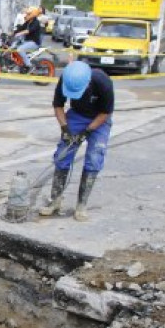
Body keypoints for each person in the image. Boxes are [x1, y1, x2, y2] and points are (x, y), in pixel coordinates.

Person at [38, 61, 114, 221]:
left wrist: (87, 131)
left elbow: (105, 113)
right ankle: (55, 200)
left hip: (99, 118)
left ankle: (81, 204)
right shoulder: (66, 78)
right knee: (62, 155)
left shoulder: (103, 82)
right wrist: (65, 128)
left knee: (95, 156)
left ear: (87, 83)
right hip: (77, 115)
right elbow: (58, 105)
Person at [12, 5, 43, 71]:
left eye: (28, 14)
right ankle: (19, 63)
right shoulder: (28, 22)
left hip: (34, 43)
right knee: (13, 47)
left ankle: (29, 65)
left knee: (20, 49)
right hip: (26, 41)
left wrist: (20, 33)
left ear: (33, 14)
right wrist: (12, 33)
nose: (26, 15)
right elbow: (21, 28)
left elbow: (29, 30)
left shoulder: (36, 22)